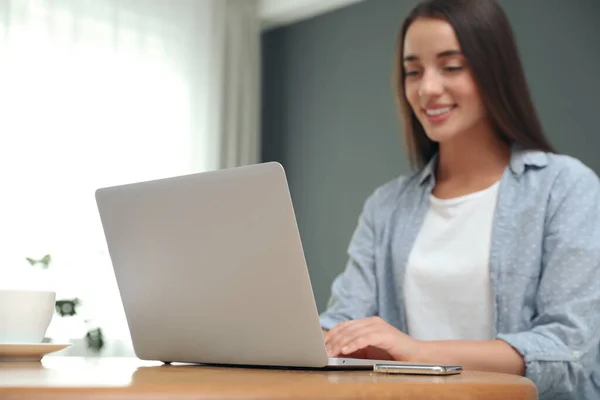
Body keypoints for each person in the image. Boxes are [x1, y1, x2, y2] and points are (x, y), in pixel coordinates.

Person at [319, 0, 600, 398]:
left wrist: (421, 353)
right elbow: (342, 321)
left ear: (493, 70)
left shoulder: (566, 188)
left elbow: (569, 352)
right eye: (412, 71)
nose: (427, 88)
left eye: (451, 66)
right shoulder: (386, 207)